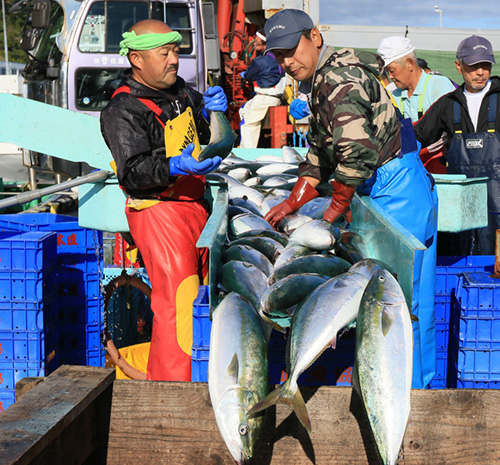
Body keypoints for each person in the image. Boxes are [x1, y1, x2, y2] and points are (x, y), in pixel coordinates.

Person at [263, 9, 438, 389]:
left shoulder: (339, 78)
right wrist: (291, 203)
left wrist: (332, 213)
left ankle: (416, 394)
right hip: (381, 188)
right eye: (279, 56)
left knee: (402, 304)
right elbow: (318, 157)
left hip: (397, 190)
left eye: (292, 50)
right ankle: (396, 387)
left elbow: (355, 155)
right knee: (390, 302)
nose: (287, 62)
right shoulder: (319, 81)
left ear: (315, 37)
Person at [100, 19, 227, 381]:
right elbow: (134, 171)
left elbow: (204, 132)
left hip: (195, 207)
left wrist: (211, 113)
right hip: (159, 214)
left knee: (201, 298)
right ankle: (171, 390)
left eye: (176, 51)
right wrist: (176, 165)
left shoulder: (181, 91)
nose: (174, 60)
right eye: (165, 53)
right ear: (137, 59)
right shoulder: (123, 109)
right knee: (178, 303)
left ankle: (203, 375)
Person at [414, 35, 500, 256]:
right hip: (459, 205)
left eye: (485, 65)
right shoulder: (447, 104)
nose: (480, 72)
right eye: (473, 66)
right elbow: (417, 136)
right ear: (458, 66)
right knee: (459, 255)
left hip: (498, 200)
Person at [378, 37, 456, 174]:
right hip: (406, 170)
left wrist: (418, 151)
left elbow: (447, 133)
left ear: (409, 64)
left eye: (392, 70)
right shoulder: (391, 93)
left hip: (437, 166)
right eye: (387, 72)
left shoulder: (439, 85)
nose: (390, 76)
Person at [239, 30, 288, 148]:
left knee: (248, 124)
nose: (253, 43)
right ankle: (255, 143)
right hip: (274, 98)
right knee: (243, 110)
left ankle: (247, 153)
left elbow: (248, 77)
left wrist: (244, 75)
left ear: (264, 43)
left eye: (256, 41)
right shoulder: (278, 58)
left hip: (264, 98)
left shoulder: (260, 61)